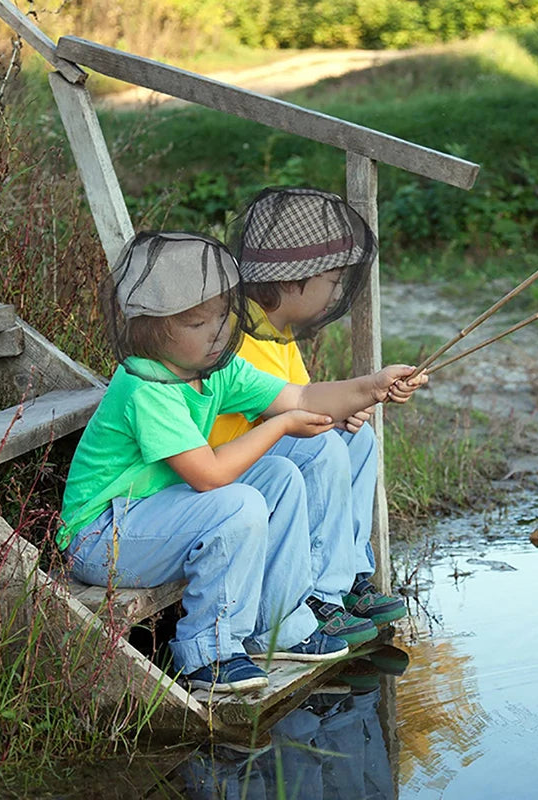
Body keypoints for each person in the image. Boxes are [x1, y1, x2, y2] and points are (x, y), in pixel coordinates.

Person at [58, 231, 426, 694]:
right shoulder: (146, 387)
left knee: (278, 474)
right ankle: (208, 654)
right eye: (197, 325)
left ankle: (277, 628)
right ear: (154, 332)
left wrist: (372, 385)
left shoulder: (215, 369)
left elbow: (303, 395)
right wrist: (278, 425)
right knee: (239, 504)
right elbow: (209, 476)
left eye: (219, 319)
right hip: (101, 539)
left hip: (160, 515)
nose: (216, 333)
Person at [208, 187, 407, 648]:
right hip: (231, 466)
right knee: (322, 445)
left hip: (272, 453)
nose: (338, 293)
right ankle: (317, 594)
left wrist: (351, 407)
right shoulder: (235, 334)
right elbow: (283, 419)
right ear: (294, 278)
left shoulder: (280, 333)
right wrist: (329, 421)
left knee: (357, 440)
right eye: (334, 281)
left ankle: (348, 574)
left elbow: (305, 401)